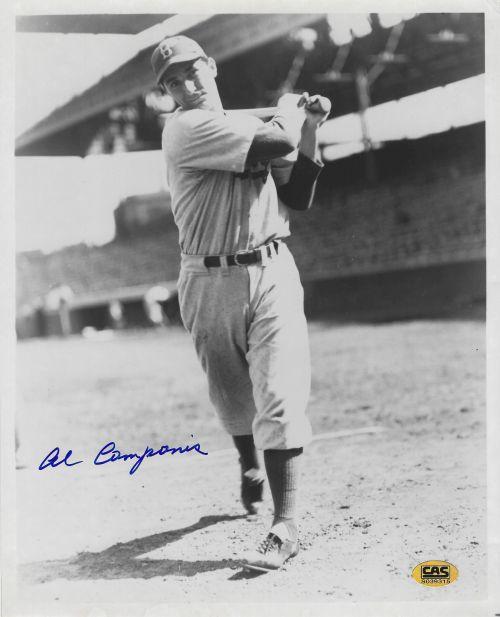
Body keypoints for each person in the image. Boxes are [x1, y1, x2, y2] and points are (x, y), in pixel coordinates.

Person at [151, 35, 330, 572]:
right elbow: (277, 140)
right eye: (173, 82)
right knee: (232, 398)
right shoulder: (184, 128)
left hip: (272, 266)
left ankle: (285, 525)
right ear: (167, 93)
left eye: (192, 71)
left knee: (279, 393)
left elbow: (297, 195)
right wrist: (290, 109)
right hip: (207, 277)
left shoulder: (247, 124)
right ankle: (249, 462)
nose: (186, 85)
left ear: (211, 66)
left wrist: (312, 129)